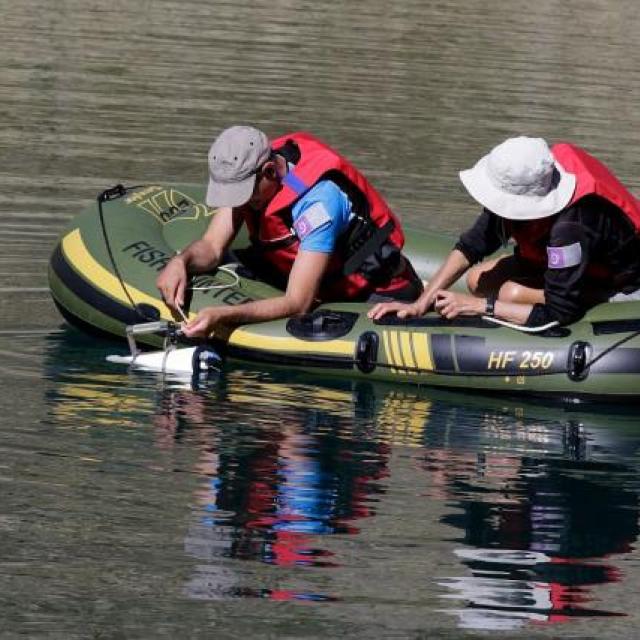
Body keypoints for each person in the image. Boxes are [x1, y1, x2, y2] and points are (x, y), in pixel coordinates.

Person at [157, 126, 423, 337]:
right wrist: (180, 261)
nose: (238, 201)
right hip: (303, 272)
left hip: (376, 294)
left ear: (269, 171)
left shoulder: (319, 204)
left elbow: (298, 303)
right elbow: (212, 247)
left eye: (243, 193)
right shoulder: (249, 176)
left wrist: (224, 315)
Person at [369, 136, 640, 328]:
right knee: (478, 281)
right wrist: (420, 303)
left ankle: (610, 301)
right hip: (560, 262)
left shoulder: (571, 226)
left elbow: (561, 310)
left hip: (618, 284)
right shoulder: (530, 183)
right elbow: (471, 245)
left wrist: (479, 307)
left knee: (510, 293)